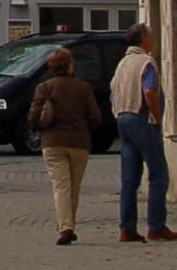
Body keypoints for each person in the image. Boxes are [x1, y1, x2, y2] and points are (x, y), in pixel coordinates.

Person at [111, 20, 177, 243]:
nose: (154, 39)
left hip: (123, 117)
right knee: (158, 174)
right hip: (141, 118)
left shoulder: (123, 63)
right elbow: (149, 92)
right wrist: (157, 117)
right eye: (150, 35)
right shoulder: (145, 62)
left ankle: (126, 227)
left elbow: (112, 91)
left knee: (130, 178)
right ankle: (156, 226)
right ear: (143, 40)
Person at [28, 45, 100, 245]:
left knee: (61, 186)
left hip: (52, 143)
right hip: (79, 143)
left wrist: (39, 128)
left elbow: (33, 116)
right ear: (69, 65)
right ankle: (69, 226)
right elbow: (95, 116)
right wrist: (86, 129)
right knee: (74, 188)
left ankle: (65, 227)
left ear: (52, 67)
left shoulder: (44, 87)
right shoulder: (83, 87)